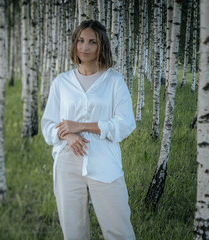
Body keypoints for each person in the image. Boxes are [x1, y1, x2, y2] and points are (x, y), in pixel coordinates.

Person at [41, 20, 136, 240]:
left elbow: (125, 124)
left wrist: (81, 126)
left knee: (119, 230)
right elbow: (48, 125)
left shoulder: (114, 81)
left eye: (92, 42)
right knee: (73, 232)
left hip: (104, 163)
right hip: (67, 163)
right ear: (74, 44)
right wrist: (68, 135)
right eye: (81, 41)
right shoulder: (61, 82)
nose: (85, 47)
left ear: (101, 45)